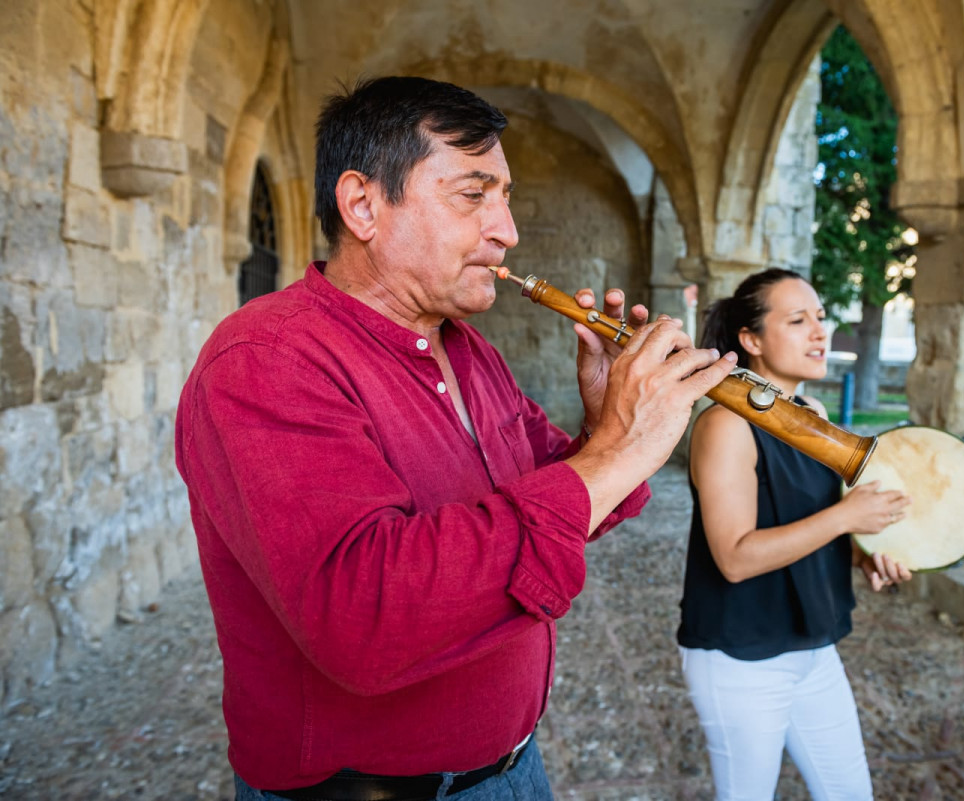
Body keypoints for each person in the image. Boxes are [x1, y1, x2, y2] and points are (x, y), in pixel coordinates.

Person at [175, 76, 736, 801]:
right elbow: (363, 616)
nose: (507, 230)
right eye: (474, 196)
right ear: (363, 205)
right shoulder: (266, 358)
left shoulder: (468, 350)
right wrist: (618, 451)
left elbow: (554, 500)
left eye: (503, 197)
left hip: (511, 770)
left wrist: (605, 426)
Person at [677, 268, 913, 801]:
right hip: (741, 656)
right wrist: (846, 518)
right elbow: (735, 557)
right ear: (751, 340)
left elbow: (816, 519)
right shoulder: (723, 425)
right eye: (798, 320)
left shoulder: (815, 413)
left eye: (821, 319)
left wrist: (865, 551)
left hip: (812, 646)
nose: (819, 333)